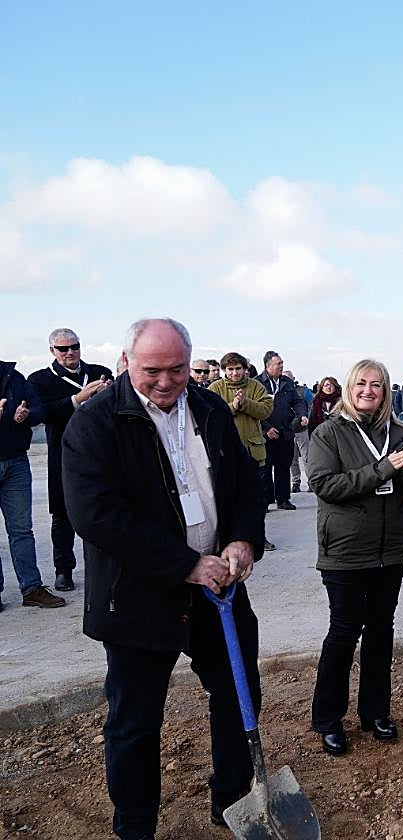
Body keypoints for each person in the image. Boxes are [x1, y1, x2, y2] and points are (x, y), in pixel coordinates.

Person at [61, 318, 265, 837]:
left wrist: (242, 537)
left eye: (177, 369)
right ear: (127, 361)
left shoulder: (210, 408)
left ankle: (234, 800)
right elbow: (97, 515)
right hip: (137, 599)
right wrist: (184, 564)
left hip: (219, 590)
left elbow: (245, 484)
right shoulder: (96, 424)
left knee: (237, 695)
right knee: (135, 722)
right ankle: (135, 825)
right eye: (153, 370)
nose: (167, 381)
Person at [306, 359, 403, 756]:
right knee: (344, 633)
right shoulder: (329, 432)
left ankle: (375, 712)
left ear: (386, 390)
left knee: (381, 631)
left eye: (377, 385)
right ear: (349, 387)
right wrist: (385, 468)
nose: (368, 391)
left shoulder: (400, 432)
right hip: (345, 551)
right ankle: (328, 719)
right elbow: (325, 485)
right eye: (361, 383)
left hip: (390, 549)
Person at [28, 327, 114, 592]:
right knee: (62, 515)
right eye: (63, 349)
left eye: (74, 346)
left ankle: (105, 567)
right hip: (62, 455)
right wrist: (77, 399)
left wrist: (107, 393)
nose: (70, 353)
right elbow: (41, 412)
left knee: (105, 510)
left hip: (101, 454)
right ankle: (63, 569)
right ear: (52, 351)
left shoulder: (100, 371)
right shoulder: (40, 379)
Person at [0, 360, 59, 609]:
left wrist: (26, 415)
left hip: (16, 462)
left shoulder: (13, 376)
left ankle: (32, 588)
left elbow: (39, 410)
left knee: (22, 530)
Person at [209, 353, 276, 551]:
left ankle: (259, 538)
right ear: (224, 371)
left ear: (245, 369)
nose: (234, 373)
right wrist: (233, 406)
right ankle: (228, 539)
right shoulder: (215, 388)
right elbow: (212, 415)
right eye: (230, 369)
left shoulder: (255, 386)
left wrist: (245, 403)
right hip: (226, 454)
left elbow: (266, 410)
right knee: (228, 498)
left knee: (256, 499)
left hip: (253, 451)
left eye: (238, 368)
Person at [256, 351, 308, 511]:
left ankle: (283, 499)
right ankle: (265, 500)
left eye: (282, 363)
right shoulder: (257, 383)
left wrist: (302, 415)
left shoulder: (287, 382)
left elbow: (298, 401)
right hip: (266, 433)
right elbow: (253, 410)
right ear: (267, 366)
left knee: (283, 467)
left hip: (285, 431)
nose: (281, 366)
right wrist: (266, 429)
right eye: (278, 364)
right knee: (264, 470)